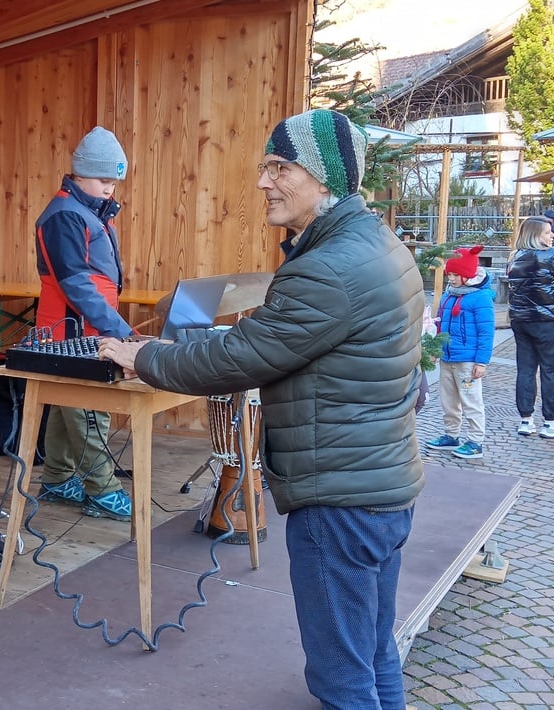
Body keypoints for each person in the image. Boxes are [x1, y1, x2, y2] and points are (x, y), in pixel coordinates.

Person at [98, 108, 425, 709]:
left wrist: (142, 359)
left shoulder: (327, 269)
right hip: (381, 485)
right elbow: (280, 345)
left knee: (341, 675)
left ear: (325, 180)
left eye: (281, 168)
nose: (263, 182)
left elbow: (242, 359)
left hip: (341, 500)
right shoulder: (377, 244)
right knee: (373, 653)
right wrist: (178, 347)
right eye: (264, 167)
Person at [31, 126, 135, 522]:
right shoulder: (64, 215)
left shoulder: (86, 211)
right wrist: (118, 329)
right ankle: (102, 489)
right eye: (104, 179)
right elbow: (75, 281)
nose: (111, 188)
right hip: (73, 330)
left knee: (67, 406)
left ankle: (57, 479)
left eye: (115, 181)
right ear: (79, 173)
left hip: (87, 326)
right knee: (91, 408)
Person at [504, 216, 554, 439]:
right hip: (547, 321)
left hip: (521, 320)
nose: (552, 235)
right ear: (537, 235)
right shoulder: (551, 256)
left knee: (525, 370)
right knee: (552, 370)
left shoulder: (514, 257)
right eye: (548, 232)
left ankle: (525, 420)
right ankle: (551, 421)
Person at [424, 245, 495, 459]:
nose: (452, 279)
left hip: (467, 361)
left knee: (471, 400)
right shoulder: (449, 295)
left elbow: (486, 332)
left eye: (457, 275)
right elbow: (440, 324)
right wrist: (436, 348)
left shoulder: (480, 298)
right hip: (447, 357)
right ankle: (451, 435)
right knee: (448, 399)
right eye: (450, 274)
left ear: (468, 274)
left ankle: (475, 441)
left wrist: (481, 362)